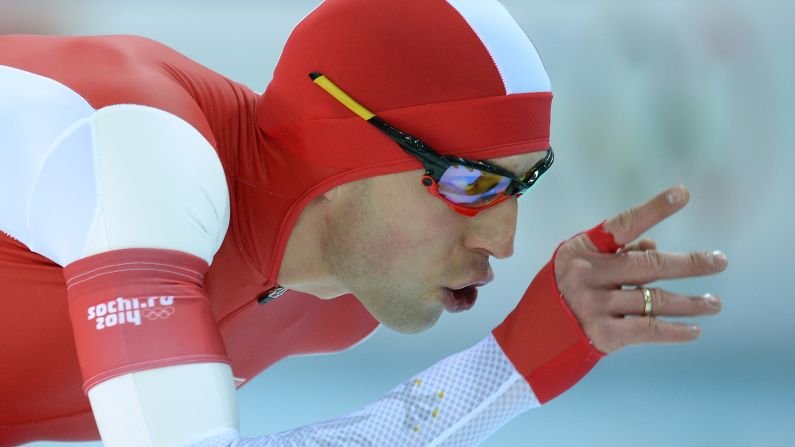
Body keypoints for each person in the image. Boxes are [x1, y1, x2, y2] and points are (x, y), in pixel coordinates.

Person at [0, 0, 727, 445]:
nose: (503, 240)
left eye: (524, 183)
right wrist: (510, 362)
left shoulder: (342, 304)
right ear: (337, 145)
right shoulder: (139, 147)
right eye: (470, 181)